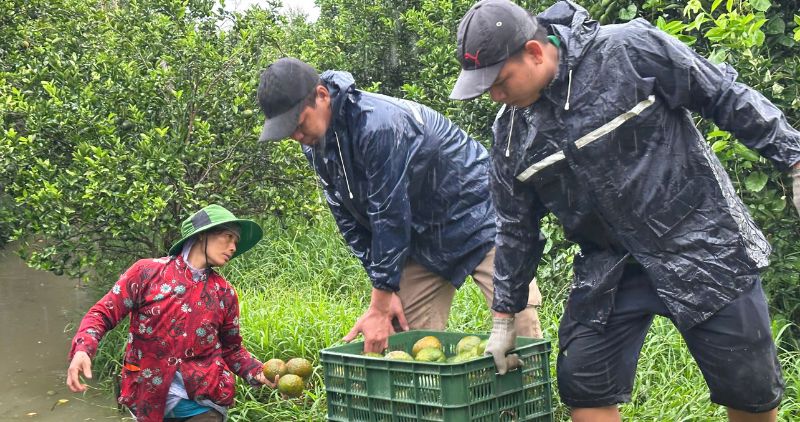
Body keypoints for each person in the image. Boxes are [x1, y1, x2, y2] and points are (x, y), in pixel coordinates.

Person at [450, 0, 800, 421]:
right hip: (609, 265)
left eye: (501, 81)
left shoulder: (628, 50)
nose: (495, 96)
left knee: (750, 389)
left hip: (701, 243)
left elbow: (723, 95)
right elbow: (515, 229)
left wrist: (794, 159)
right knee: (583, 380)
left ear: (535, 52)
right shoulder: (510, 133)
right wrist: (504, 316)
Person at [256, 57, 543, 353]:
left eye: (299, 123)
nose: (297, 136)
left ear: (322, 95)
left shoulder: (379, 124)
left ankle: (531, 392)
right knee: (405, 341)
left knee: (518, 322)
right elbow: (348, 219)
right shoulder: (316, 146)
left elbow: (388, 215)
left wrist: (379, 302)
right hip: (419, 236)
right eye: (288, 131)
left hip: (477, 215)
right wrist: (384, 290)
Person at [67, 204, 275, 422]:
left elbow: (232, 350)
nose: (233, 247)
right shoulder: (147, 272)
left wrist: (259, 372)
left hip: (203, 406)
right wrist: (83, 349)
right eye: (228, 237)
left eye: (236, 241)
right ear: (202, 235)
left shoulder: (224, 292)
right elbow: (103, 312)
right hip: (146, 398)